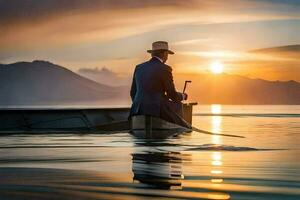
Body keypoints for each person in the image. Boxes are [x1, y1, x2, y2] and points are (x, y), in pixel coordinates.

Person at [129, 41, 190, 128]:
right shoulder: (165, 69)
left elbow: (133, 92)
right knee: (186, 128)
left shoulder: (139, 67)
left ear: (152, 54)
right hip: (157, 111)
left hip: (137, 110)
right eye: (167, 54)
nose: (167, 57)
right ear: (165, 54)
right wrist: (183, 96)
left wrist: (142, 105)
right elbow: (172, 95)